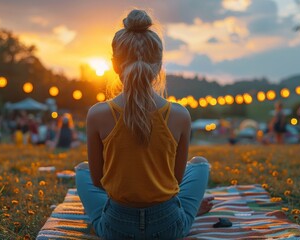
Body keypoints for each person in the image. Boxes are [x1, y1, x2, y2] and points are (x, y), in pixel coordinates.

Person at [75, 9, 212, 239]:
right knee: (199, 164)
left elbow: (98, 181)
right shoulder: (180, 115)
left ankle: (101, 220)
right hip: (168, 227)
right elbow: (176, 181)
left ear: (115, 65)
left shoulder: (97, 114)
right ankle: (188, 212)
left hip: (117, 228)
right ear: (158, 65)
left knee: (82, 171)